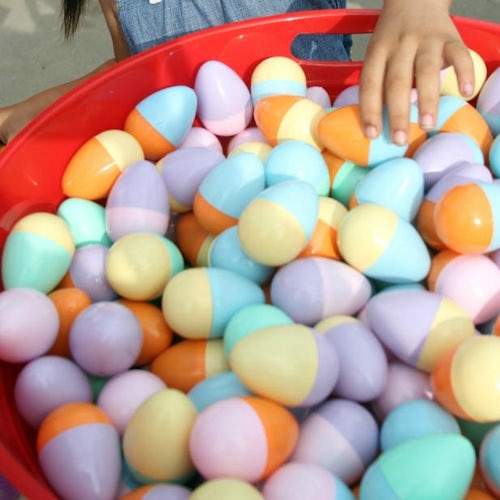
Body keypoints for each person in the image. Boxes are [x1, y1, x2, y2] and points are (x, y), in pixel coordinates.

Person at [0, 0, 474, 147]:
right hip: (191, 184)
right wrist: (34, 111)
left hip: (326, 133)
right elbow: (137, 71)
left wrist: (418, 6)